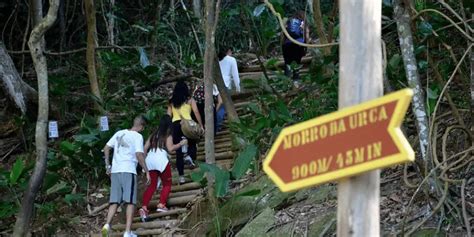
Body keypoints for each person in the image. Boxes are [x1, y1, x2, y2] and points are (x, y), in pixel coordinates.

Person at [101, 115, 151, 237]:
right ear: (141, 126)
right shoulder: (138, 136)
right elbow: (139, 155)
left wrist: (108, 166)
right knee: (130, 202)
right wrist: (147, 171)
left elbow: (106, 148)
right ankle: (127, 232)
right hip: (128, 170)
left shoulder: (119, 133)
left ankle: (107, 225)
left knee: (114, 201)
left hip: (116, 171)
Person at [138, 115, 188, 221]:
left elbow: (145, 148)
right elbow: (170, 149)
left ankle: (144, 207)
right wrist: (180, 144)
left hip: (150, 159)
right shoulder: (167, 135)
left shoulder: (153, 134)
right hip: (161, 160)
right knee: (167, 184)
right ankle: (161, 204)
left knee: (152, 185)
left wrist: (145, 159)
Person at [167, 80, 204, 184]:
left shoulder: (171, 101)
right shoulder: (190, 100)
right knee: (192, 142)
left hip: (176, 125)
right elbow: (196, 112)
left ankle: (181, 177)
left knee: (179, 151)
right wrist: (200, 125)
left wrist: (168, 129)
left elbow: (168, 115)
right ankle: (190, 158)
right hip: (187, 124)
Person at [282, 11, 310, 84]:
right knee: (297, 62)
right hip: (298, 45)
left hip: (287, 44)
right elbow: (307, 36)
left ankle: (286, 81)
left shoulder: (288, 21)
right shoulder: (303, 23)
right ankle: (296, 80)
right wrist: (305, 47)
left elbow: (283, 35)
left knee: (287, 63)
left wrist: (283, 45)